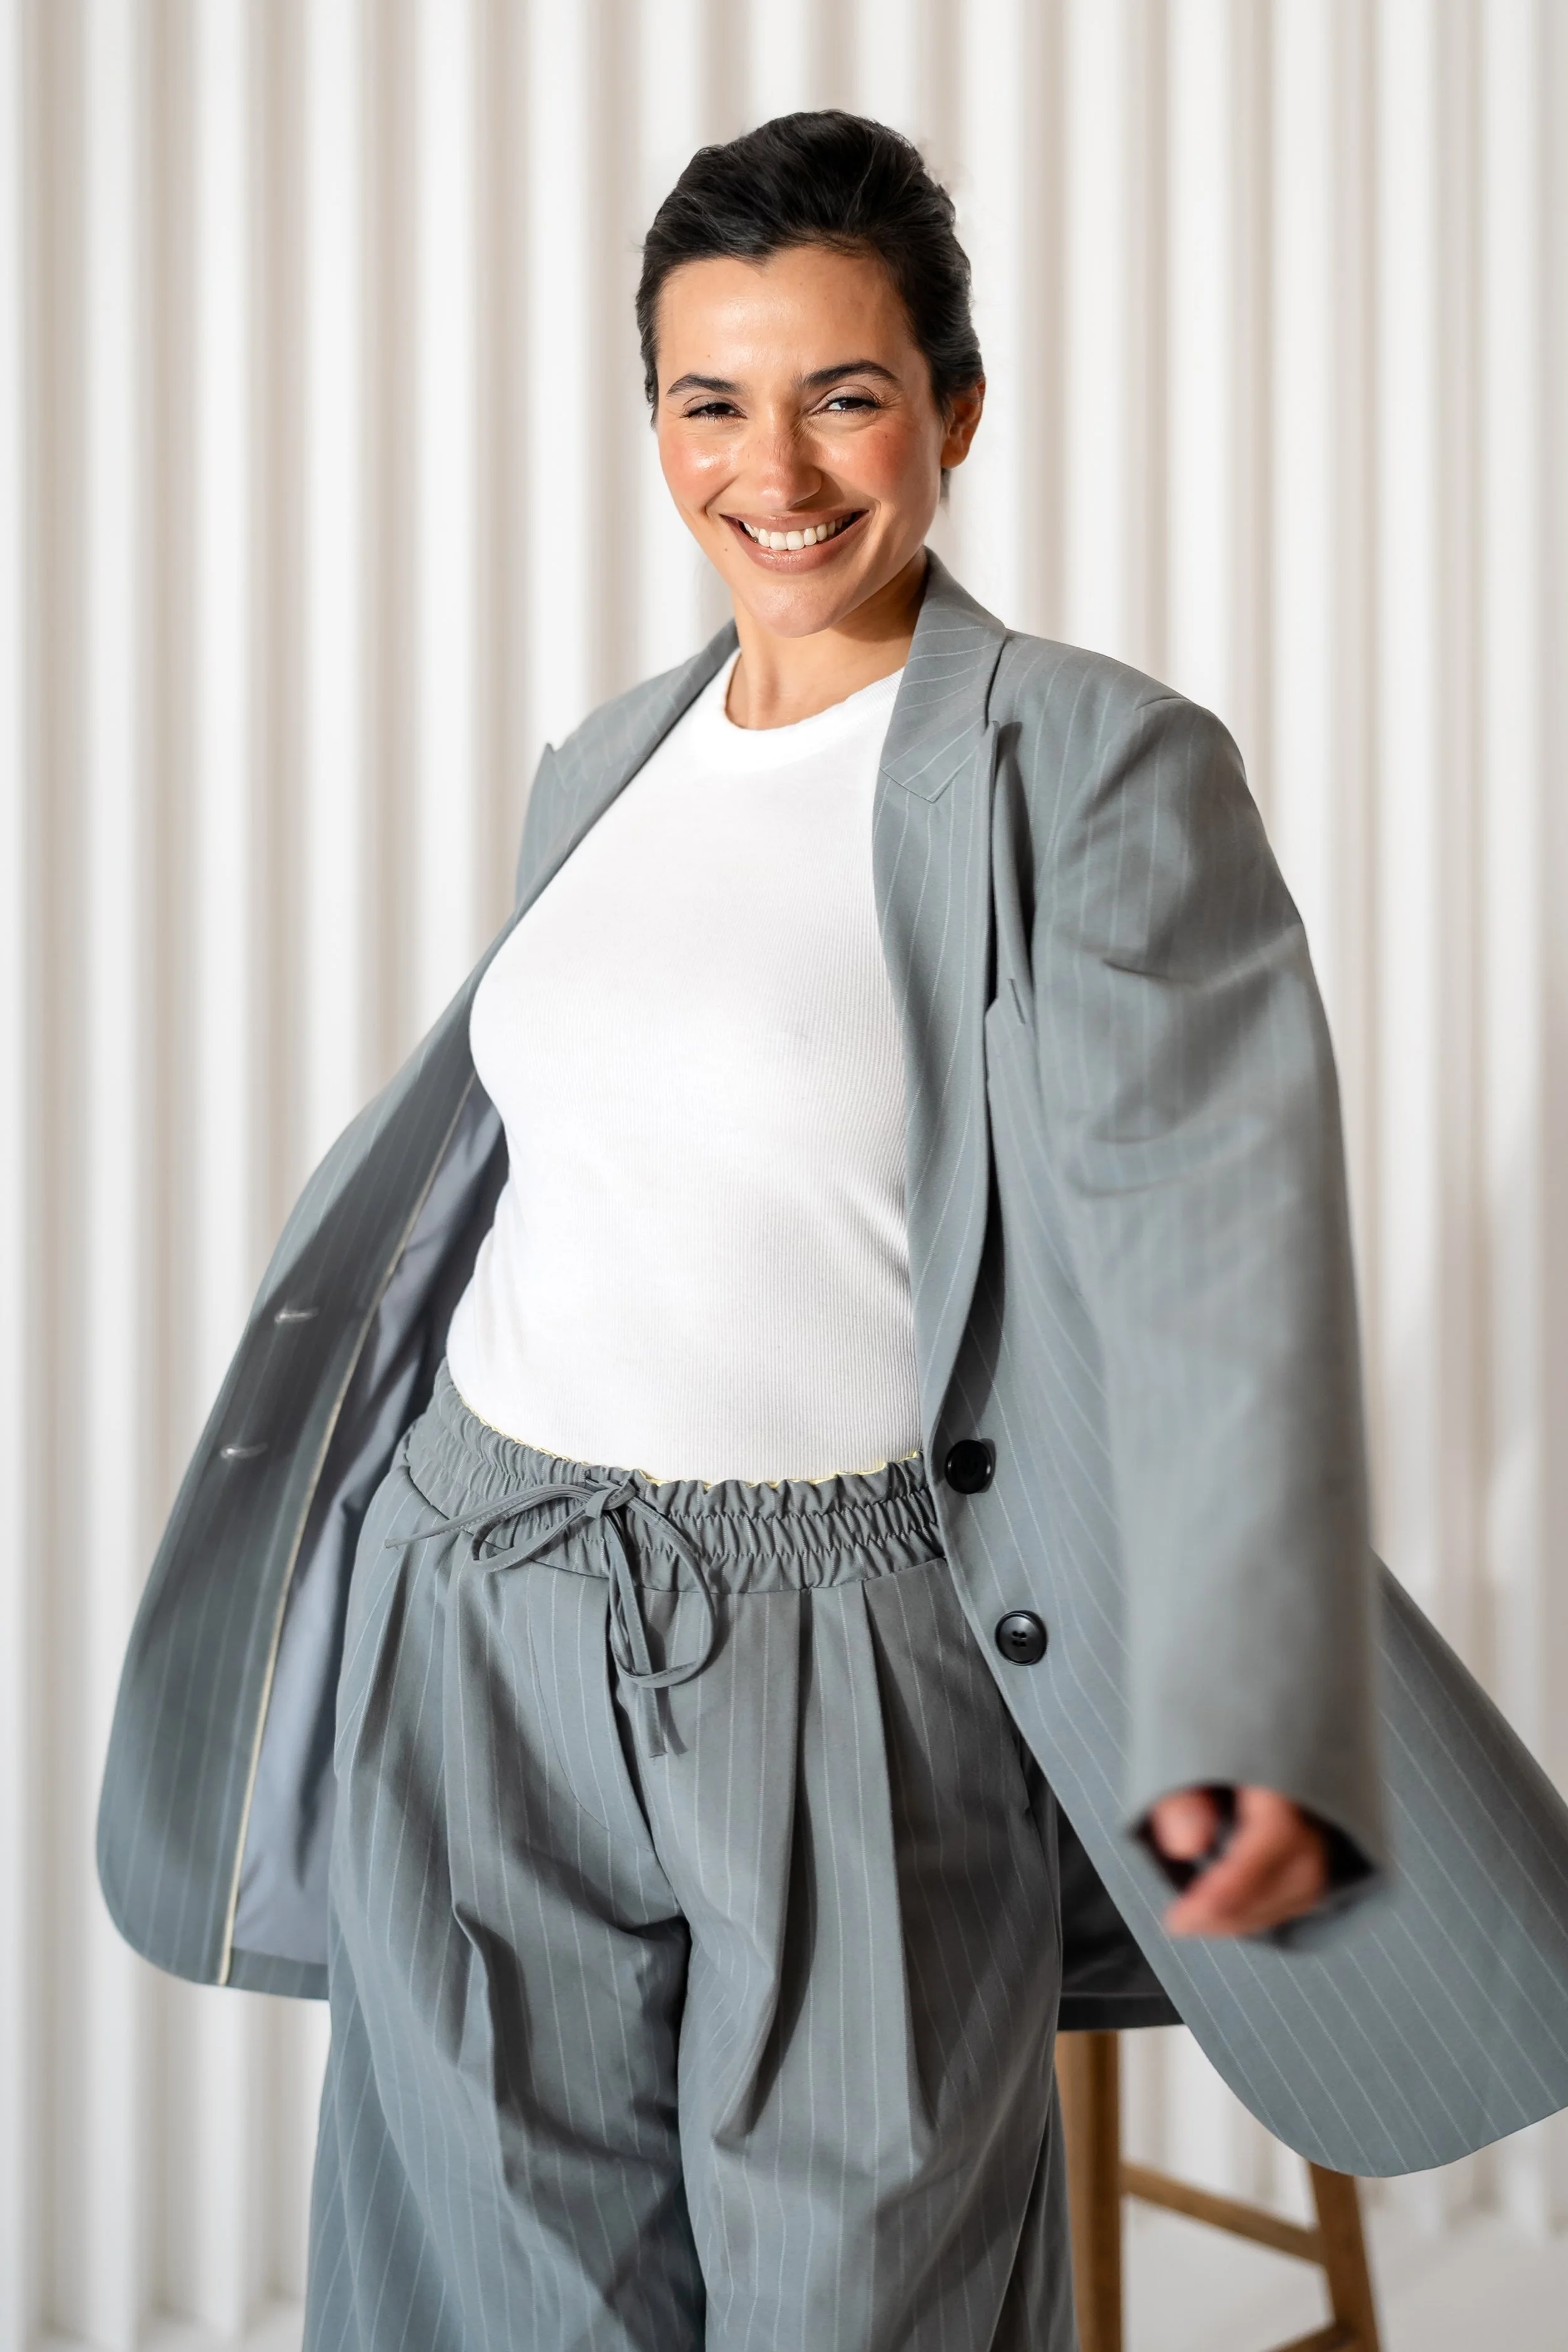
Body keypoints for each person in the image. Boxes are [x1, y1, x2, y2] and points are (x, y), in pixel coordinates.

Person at [98, 111, 1568, 2352]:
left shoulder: (1087, 762)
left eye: (842, 393)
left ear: (953, 410)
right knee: (496, 2281)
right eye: (710, 400)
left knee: (862, 2288)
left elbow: (1215, 1252)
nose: (770, 467)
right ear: (656, 421)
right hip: (479, 1596)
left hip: (854, 1645)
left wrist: (1253, 1699)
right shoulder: (607, 756)